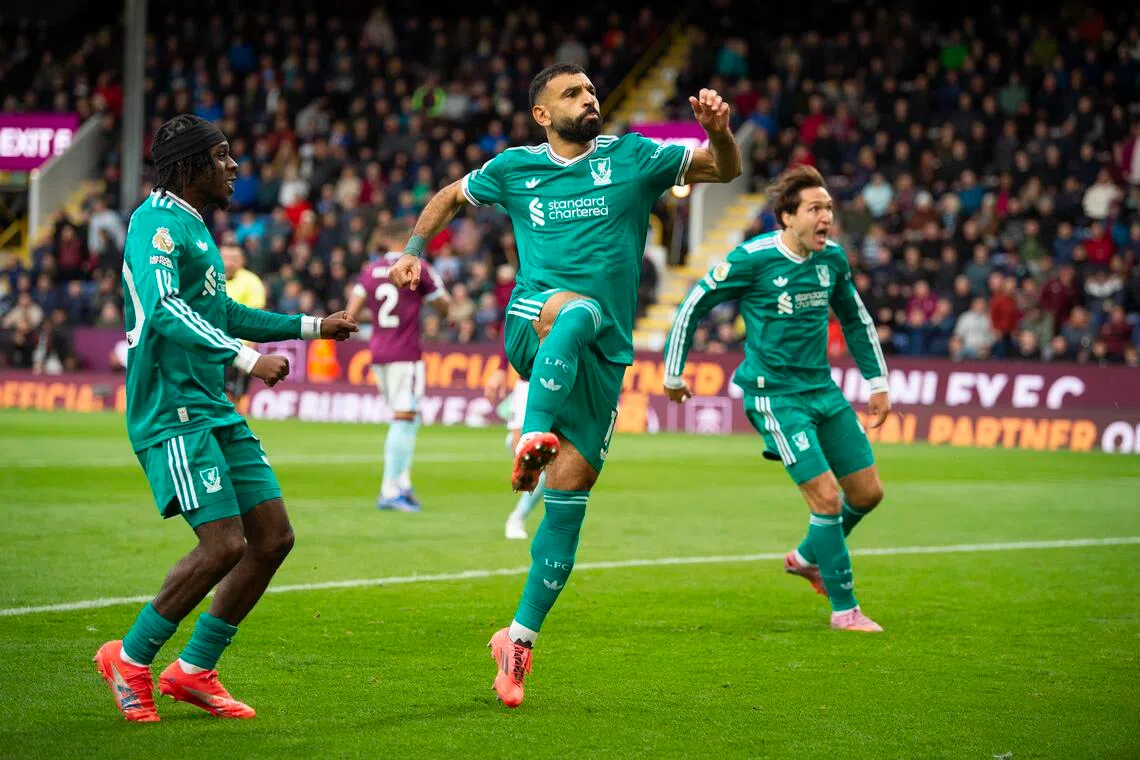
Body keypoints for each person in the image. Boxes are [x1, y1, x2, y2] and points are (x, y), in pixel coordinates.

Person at [389, 62, 741, 706]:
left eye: (591, 90)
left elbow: (723, 170)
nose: (589, 98)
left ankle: (517, 640)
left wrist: (718, 132)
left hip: (603, 358)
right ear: (543, 115)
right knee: (576, 308)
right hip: (537, 321)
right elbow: (447, 196)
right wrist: (414, 248)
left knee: (571, 499)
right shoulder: (515, 168)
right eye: (572, 94)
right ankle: (531, 439)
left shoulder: (634, 157)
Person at [94, 115, 358, 723]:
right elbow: (162, 309)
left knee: (272, 538)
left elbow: (224, 310)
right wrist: (245, 360)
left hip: (210, 403)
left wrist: (313, 326)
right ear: (189, 168)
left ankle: (193, 671)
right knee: (222, 545)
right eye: (222, 157)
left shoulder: (194, 227)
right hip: (171, 407)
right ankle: (129, 659)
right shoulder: (155, 225)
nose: (235, 166)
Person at [662, 165, 891, 633]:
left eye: (828, 207)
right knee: (826, 499)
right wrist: (673, 371)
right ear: (787, 217)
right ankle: (845, 610)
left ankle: (808, 556)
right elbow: (694, 303)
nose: (826, 216)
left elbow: (856, 319)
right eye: (815, 208)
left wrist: (878, 381)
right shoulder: (752, 259)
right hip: (774, 397)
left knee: (868, 493)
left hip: (822, 391)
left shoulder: (833, 261)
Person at [345, 249, 449, 511]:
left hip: (378, 352)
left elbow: (351, 312)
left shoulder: (370, 270)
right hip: (406, 353)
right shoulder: (418, 266)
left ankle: (403, 483)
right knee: (403, 419)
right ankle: (389, 490)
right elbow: (444, 307)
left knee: (408, 418)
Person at [485, 352, 543, 540]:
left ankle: (518, 517)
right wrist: (501, 368)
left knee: (549, 458)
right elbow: (514, 324)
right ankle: (513, 441)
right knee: (527, 456)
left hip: (566, 377)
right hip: (528, 380)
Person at [221, 243, 267, 402]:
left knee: (233, 394)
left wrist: (252, 344)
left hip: (239, 347)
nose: (229, 262)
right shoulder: (209, 279)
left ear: (242, 260)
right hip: (211, 344)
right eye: (225, 257)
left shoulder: (252, 282)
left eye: (234, 258)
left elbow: (257, 316)